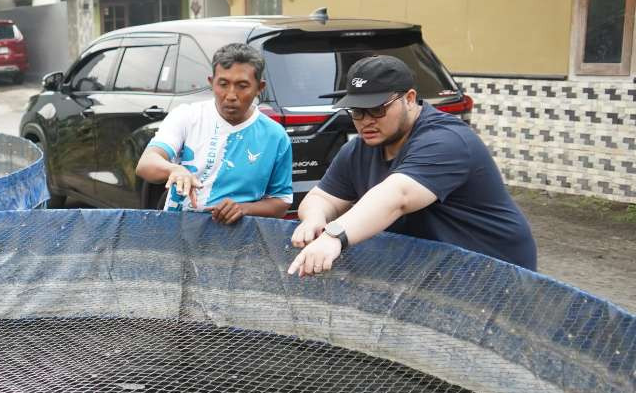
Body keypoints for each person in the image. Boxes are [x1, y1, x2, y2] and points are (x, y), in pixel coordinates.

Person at [288, 55, 537, 276]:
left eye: (376, 109)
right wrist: (314, 219)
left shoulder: (446, 140)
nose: (365, 121)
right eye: (357, 111)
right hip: (438, 272)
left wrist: (335, 237)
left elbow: (398, 196)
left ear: (409, 98)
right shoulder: (359, 149)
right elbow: (323, 197)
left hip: (496, 273)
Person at [135, 43, 292, 224]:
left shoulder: (275, 136)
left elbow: (282, 202)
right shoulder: (187, 116)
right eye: (223, 84)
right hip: (178, 234)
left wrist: (244, 209)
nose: (231, 95)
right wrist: (175, 169)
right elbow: (146, 164)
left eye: (242, 86)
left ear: (259, 87)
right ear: (211, 83)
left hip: (240, 242)